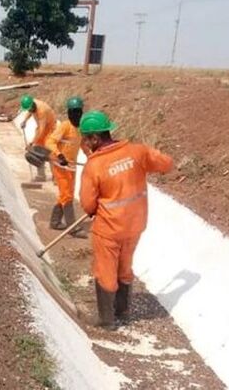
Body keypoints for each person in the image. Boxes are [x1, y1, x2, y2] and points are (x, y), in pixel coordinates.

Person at [78, 110, 173, 329]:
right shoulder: (136, 151)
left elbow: (88, 204)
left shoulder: (95, 166)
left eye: (85, 138)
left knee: (106, 271)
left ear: (94, 138)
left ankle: (107, 320)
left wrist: (96, 208)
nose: (84, 142)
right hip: (135, 225)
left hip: (109, 229)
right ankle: (123, 310)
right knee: (125, 266)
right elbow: (166, 163)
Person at [44, 96, 88, 232]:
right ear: (69, 113)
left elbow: (83, 146)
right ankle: (72, 227)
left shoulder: (80, 129)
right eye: (73, 111)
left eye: (78, 111)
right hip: (60, 165)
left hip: (71, 166)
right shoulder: (64, 126)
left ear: (81, 112)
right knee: (67, 195)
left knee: (66, 194)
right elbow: (49, 142)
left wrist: (92, 158)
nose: (76, 114)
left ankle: (55, 222)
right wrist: (59, 155)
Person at [19, 94, 57, 181]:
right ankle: (41, 175)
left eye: (29, 108)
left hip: (51, 131)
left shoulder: (42, 111)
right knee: (37, 152)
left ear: (32, 105)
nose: (29, 110)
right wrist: (25, 120)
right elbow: (30, 112)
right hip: (41, 129)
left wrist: (32, 143)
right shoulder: (32, 104)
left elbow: (41, 129)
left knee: (50, 153)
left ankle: (55, 177)